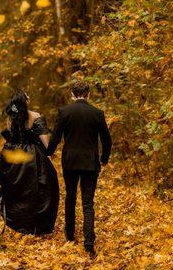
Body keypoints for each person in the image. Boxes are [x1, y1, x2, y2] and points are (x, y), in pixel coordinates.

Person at [46, 80, 112, 258]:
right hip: (90, 162)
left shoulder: (65, 112)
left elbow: (55, 137)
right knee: (88, 202)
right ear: (89, 94)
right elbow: (107, 140)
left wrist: (48, 153)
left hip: (71, 161)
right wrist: (104, 158)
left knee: (70, 197)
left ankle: (69, 235)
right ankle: (89, 243)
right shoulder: (97, 113)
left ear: (73, 94)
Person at [0, 89, 59, 235]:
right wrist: (50, 154)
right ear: (26, 100)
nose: (29, 96)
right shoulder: (36, 116)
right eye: (27, 96)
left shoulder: (11, 117)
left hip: (14, 155)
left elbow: (11, 136)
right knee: (39, 189)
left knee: (18, 189)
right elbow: (44, 139)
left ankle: (20, 224)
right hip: (33, 157)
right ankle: (37, 225)